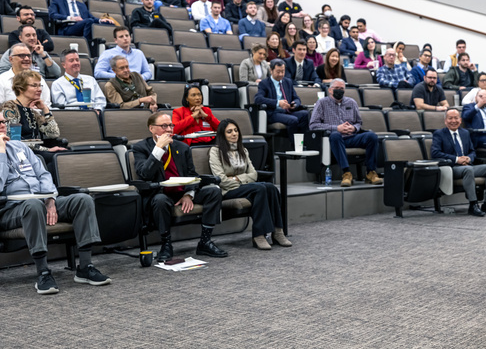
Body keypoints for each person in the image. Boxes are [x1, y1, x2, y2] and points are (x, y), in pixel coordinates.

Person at [0, 117, 111, 295]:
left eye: (3, 120)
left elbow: (43, 174)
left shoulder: (20, 147)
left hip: (41, 201)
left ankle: (85, 266)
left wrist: (50, 200)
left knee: (83, 200)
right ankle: (43, 272)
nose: (3, 124)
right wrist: (1, 153)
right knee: (33, 206)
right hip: (11, 210)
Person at [133, 112, 227, 262]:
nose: (169, 130)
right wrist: (158, 149)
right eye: (164, 126)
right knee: (160, 200)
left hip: (181, 191)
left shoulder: (182, 147)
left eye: (171, 125)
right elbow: (145, 174)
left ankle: (205, 241)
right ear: (152, 128)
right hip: (160, 193)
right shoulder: (141, 148)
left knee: (213, 191)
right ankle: (166, 244)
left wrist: (189, 195)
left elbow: (192, 175)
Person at [208, 119, 290, 250]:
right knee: (259, 189)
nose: (234, 134)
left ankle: (277, 231)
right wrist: (243, 180)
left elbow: (254, 174)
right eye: (229, 132)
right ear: (222, 135)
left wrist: (237, 178)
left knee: (271, 188)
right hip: (227, 190)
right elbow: (222, 180)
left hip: (243, 187)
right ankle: (259, 235)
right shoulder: (215, 151)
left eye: (236, 131)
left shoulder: (243, 150)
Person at [309, 79, 383, 187]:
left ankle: (370, 172)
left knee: (371, 136)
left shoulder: (351, 102)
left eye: (342, 89)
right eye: (336, 88)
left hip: (352, 137)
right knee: (335, 135)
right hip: (334, 139)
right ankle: (346, 173)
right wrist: (336, 128)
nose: (339, 91)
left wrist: (354, 128)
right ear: (330, 90)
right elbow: (313, 125)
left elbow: (358, 123)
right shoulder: (322, 103)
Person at [431, 109, 486, 216]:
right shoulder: (439, 134)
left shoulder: (464, 133)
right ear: (445, 121)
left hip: (467, 165)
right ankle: (473, 204)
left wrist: (468, 158)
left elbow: (472, 151)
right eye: (450, 118)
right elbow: (435, 153)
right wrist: (457, 159)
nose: (453, 121)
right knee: (468, 169)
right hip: (450, 168)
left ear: (460, 120)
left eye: (456, 118)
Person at [1, 70, 68, 166]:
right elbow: (13, 140)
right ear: (21, 89)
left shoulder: (33, 111)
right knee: (57, 158)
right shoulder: (9, 108)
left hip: (36, 152)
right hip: (19, 154)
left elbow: (53, 134)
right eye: (34, 85)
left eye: (40, 85)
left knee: (66, 153)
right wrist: (47, 150)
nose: (39, 89)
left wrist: (45, 109)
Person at [254, 59, 309, 134]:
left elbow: (296, 98)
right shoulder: (264, 83)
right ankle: (293, 144)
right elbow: (258, 99)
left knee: (306, 114)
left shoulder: (287, 82)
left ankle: (302, 141)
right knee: (293, 120)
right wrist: (278, 103)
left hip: (288, 111)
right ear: (271, 70)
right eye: (278, 72)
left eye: (283, 71)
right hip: (274, 113)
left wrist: (295, 104)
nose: (281, 74)